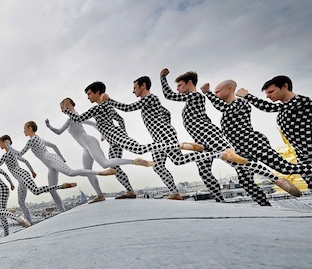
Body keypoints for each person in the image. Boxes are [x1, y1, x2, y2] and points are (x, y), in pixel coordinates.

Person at [105, 76, 246, 200]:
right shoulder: (152, 102)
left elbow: (128, 108)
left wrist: (109, 100)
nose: (133, 91)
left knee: (178, 160)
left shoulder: (150, 98)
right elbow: (167, 113)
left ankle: (215, 153)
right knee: (158, 166)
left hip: (163, 134)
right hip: (159, 137)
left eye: (135, 87)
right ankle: (174, 193)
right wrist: (164, 126)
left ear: (143, 86)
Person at [62, 81, 207, 199]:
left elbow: (79, 118)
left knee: (139, 149)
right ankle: (130, 191)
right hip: (115, 138)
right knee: (114, 167)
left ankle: (179, 145)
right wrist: (114, 134)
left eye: (89, 94)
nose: (88, 97)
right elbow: (120, 119)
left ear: (97, 92)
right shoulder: (107, 107)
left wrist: (67, 110)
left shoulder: (99, 107)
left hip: (116, 136)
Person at [160, 68, 280, 205]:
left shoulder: (195, 96)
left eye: (179, 85)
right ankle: (220, 200)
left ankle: (275, 179)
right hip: (200, 140)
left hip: (208, 134)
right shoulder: (191, 100)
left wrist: (162, 78)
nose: (177, 89)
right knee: (204, 171)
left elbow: (169, 95)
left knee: (235, 161)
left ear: (189, 83)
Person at [202, 79, 302, 196]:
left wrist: (207, 93)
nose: (216, 95)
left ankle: (301, 172)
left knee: (284, 168)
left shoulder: (240, 103)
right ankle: (265, 206)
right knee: (245, 181)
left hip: (252, 142)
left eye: (217, 91)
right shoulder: (229, 111)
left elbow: (223, 108)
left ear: (230, 89)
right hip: (241, 148)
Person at [46, 98, 156, 203]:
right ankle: (100, 195)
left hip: (89, 142)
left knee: (105, 164)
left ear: (68, 103)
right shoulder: (75, 116)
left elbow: (59, 132)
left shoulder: (72, 118)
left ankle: (134, 161)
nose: (61, 110)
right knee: (88, 171)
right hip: (85, 147)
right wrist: (102, 134)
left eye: (62, 107)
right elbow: (94, 124)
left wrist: (49, 126)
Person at [237, 75, 312, 188]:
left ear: (285, 86)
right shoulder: (284, 110)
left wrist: (247, 96)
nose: (268, 96)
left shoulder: (302, 101)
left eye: (271, 92)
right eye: (267, 93)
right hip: (302, 154)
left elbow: (269, 108)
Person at [0, 135, 76, 223]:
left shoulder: (6, 155)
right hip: (21, 178)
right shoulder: (13, 154)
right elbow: (26, 161)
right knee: (21, 202)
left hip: (22, 175)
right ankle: (30, 223)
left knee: (36, 191)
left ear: (4, 142)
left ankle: (61, 186)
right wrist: (32, 171)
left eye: (0, 142)